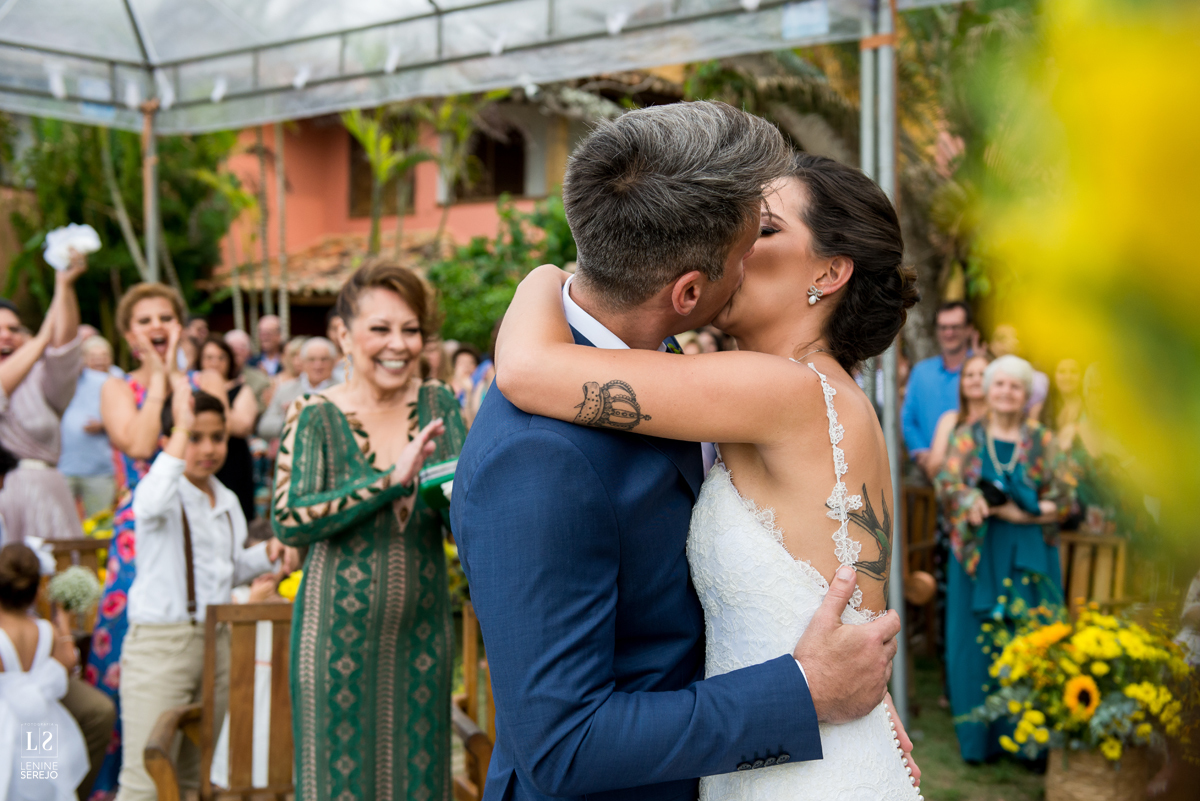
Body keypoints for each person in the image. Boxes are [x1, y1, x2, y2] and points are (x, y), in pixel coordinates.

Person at [452, 104, 919, 801]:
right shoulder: (558, 448)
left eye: (766, 229)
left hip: (797, 758)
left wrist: (541, 278)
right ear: (688, 289)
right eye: (749, 233)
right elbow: (560, 738)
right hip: (774, 744)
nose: (747, 247)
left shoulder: (780, 391)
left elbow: (524, 366)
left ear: (829, 272)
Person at [272, 261, 466, 801]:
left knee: (420, 782)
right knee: (338, 783)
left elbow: (465, 519)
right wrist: (389, 481)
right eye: (380, 329)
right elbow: (289, 520)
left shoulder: (438, 404)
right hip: (334, 638)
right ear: (342, 334)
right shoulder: (313, 413)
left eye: (410, 330)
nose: (397, 345)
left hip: (424, 634)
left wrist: (462, 495)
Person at [115, 387, 291, 801]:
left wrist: (266, 554)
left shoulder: (226, 498)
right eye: (195, 437)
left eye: (217, 437)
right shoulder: (162, 490)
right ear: (171, 442)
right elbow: (149, 504)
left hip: (216, 641)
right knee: (146, 776)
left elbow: (226, 570)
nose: (208, 448)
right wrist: (181, 424)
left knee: (196, 775)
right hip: (163, 644)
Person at [935, 354, 1068, 763]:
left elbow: (1065, 497)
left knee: (1031, 641)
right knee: (974, 647)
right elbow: (947, 481)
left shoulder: (1044, 440)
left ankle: (1031, 746)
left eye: (1015, 385)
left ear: (1027, 394)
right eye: (999, 384)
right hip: (979, 556)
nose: (1007, 392)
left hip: (1032, 555)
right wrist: (972, 498)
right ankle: (980, 742)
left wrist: (1018, 512)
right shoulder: (968, 436)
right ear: (987, 391)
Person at [90, 281, 191, 797]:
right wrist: (160, 381)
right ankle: (120, 783)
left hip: (194, 529)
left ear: (179, 324)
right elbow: (138, 441)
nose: (156, 327)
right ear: (129, 334)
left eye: (165, 317)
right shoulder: (115, 387)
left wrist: (182, 379)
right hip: (138, 533)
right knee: (126, 658)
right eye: (145, 320)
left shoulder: (201, 381)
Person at [0, 255, 86, 545]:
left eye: (13, 329)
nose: (6, 336)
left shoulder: (40, 379)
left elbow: (65, 348)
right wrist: (41, 338)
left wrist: (65, 285)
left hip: (49, 494)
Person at [0, 542, 90, 801]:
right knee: (40, 787)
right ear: (37, 591)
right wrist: (62, 620)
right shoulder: (45, 630)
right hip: (41, 724)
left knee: (9, 785)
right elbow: (69, 661)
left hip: (6, 724)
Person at [901, 301, 974, 473]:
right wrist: (921, 451)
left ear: (969, 329)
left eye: (955, 327)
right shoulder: (921, 372)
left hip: (972, 469)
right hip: (928, 468)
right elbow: (907, 418)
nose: (949, 333)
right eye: (943, 327)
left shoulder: (980, 372)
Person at [196, 336, 260, 522]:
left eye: (220, 357)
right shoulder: (191, 385)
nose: (214, 363)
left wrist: (216, 391)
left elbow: (242, 426)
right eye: (209, 357)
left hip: (233, 457)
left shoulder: (241, 389)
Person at [60, 336, 119, 519]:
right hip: (63, 467)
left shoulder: (113, 379)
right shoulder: (65, 378)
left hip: (99, 469)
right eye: (93, 355)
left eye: (103, 355)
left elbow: (126, 418)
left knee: (100, 525)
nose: (98, 359)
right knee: (61, 525)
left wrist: (104, 425)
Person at [923, 353, 990, 481]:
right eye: (969, 375)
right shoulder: (949, 420)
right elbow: (932, 468)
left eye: (983, 374)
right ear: (962, 383)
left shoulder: (1001, 421)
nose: (976, 380)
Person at [257, 337, 339, 440]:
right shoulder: (285, 389)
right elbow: (264, 427)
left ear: (334, 362)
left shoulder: (344, 390)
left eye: (324, 359)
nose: (318, 365)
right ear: (303, 363)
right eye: (311, 359)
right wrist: (290, 418)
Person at [987, 323, 1049, 420]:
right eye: (1000, 338)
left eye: (1013, 338)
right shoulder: (982, 374)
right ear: (991, 345)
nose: (1006, 343)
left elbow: (1033, 423)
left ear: (1020, 345)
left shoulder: (1037, 380)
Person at [225, 329, 273, 413]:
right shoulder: (214, 377)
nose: (237, 352)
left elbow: (262, 411)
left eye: (241, 348)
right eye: (232, 348)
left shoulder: (260, 380)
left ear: (249, 352)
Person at [1040, 357, 1084, 444]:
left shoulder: (1090, 409)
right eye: (1062, 372)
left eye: (1074, 372)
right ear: (1053, 375)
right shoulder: (1041, 407)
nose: (1068, 377)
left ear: (1082, 376)